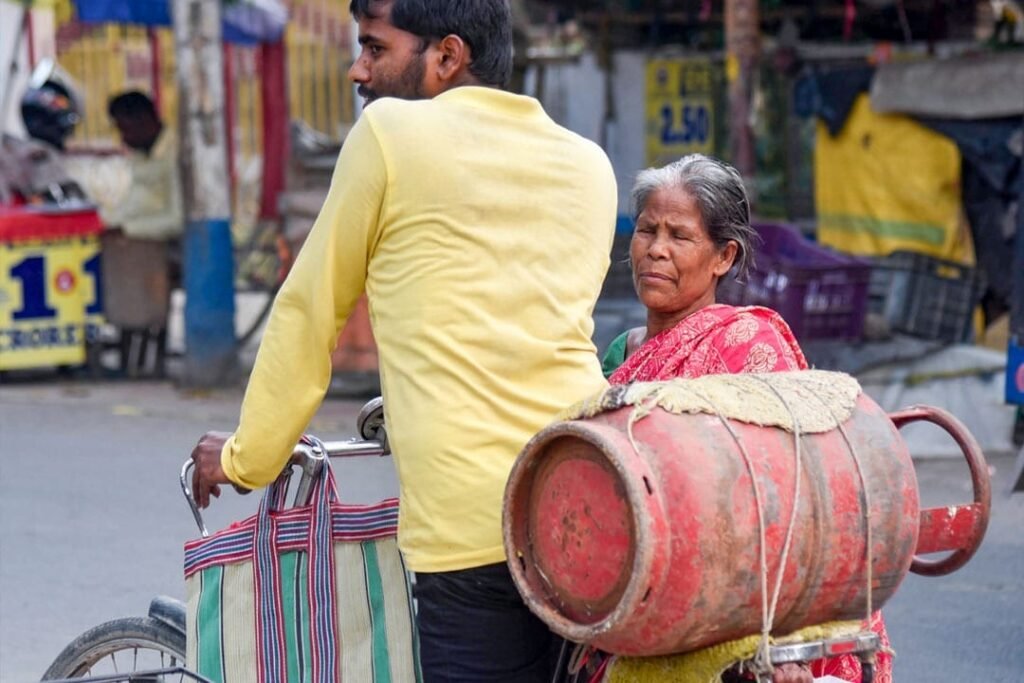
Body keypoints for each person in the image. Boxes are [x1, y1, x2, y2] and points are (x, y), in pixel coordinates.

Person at [189, 0, 618, 680]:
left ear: (447, 56)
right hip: (587, 500)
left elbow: (308, 312)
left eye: (375, 47)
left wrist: (247, 458)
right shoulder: (589, 163)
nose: (357, 70)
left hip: (474, 526)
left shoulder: (389, 134)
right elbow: (528, 321)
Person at [602, 154, 892, 683]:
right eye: (647, 230)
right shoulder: (620, 354)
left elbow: (793, 503)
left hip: (735, 614)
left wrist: (784, 649)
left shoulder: (747, 346)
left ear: (724, 256)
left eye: (679, 236)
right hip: (640, 603)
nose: (656, 249)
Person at [101, 91, 183, 377]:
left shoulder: (174, 155)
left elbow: (177, 219)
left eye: (125, 128)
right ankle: (127, 355)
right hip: (133, 246)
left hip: (166, 249)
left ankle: (141, 357)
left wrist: (127, 230)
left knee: (134, 260)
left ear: (144, 120)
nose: (123, 138)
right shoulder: (141, 155)